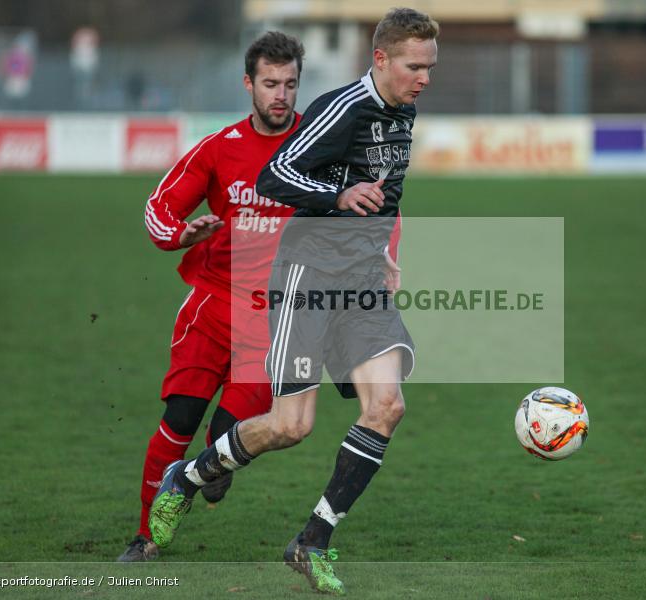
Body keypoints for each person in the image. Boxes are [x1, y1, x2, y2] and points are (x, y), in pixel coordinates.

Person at [148, 7, 438, 595]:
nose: (424, 77)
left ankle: (312, 542)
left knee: (386, 407)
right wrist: (339, 196)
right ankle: (191, 475)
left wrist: (384, 245)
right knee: (289, 425)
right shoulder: (343, 108)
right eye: (415, 66)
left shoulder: (402, 110)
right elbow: (275, 176)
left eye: (430, 66)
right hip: (307, 277)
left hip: (359, 283)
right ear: (380, 59)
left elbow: (384, 194)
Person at [118, 32, 306, 562]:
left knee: (228, 441)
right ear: (249, 83)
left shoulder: (317, 147)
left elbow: (365, 202)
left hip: (274, 318)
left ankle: (209, 470)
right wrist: (182, 235)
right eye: (270, 83)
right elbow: (159, 208)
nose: (281, 95)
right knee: (179, 420)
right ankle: (146, 537)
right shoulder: (220, 148)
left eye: (290, 84)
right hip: (213, 304)